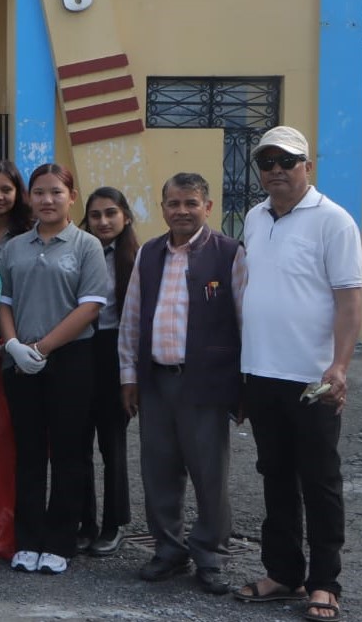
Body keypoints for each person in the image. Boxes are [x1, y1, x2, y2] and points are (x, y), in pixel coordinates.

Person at [234, 126, 362, 622]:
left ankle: (325, 582)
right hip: (262, 371)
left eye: (286, 161)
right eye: (266, 162)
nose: (276, 171)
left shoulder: (334, 221)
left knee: (320, 480)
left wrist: (340, 366)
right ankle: (284, 572)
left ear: (307, 165)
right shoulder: (254, 217)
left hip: (312, 377)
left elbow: (349, 303)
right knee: (275, 477)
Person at [118, 172, 246, 597]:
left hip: (206, 383)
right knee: (158, 470)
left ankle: (210, 555)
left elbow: (244, 320)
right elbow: (132, 318)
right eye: (173, 203)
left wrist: (242, 384)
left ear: (207, 207)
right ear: (163, 209)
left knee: (209, 474)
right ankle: (169, 550)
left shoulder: (228, 253)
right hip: (156, 381)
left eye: (191, 203)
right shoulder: (149, 253)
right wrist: (129, 377)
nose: (182, 211)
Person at [0, 163, 110, 574]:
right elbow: (3, 301)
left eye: (56, 192)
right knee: (27, 452)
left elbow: (90, 306)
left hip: (70, 360)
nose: (47, 199)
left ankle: (60, 541)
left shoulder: (86, 245)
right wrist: (13, 345)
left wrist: (43, 348)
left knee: (68, 451)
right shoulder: (15, 247)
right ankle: (28, 539)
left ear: (71, 197)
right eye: (39, 192)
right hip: (20, 360)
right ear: (29, 197)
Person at [77, 187, 137, 557]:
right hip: (80, 348)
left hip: (117, 351)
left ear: (125, 216)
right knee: (77, 440)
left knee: (112, 442)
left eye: (110, 213)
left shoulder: (138, 258)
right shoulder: (79, 251)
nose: (103, 221)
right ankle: (84, 521)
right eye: (95, 215)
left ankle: (114, 524)